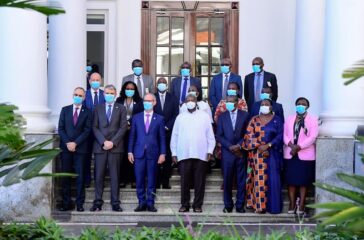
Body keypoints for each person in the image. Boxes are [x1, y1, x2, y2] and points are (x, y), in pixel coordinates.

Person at [171, 94, 216, 213]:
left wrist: (210, 151)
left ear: (196, 102)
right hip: (184, 154)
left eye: (192, 100)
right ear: (185, 103)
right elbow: (174, 136)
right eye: (188, 100)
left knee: (199, 181)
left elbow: (210, 136)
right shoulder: (180, 117)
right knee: (184, 181)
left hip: (201, 154)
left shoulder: (204, 116)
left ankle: (197, 205)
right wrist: (174, 153)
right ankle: (184, 204)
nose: (190, 102)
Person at [90, 85, 128, 212]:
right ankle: (97, 202)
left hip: (115, 147)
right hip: (100, 147)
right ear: (103, 94)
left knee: (115, 176)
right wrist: (103, 141)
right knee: (99, 176)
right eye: (107, 93)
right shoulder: (97, 108)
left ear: (115, 93)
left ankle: (115, 202)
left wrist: (112, 142)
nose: (109, 95)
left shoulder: (121, 108)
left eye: (111, 93)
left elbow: (123, 127)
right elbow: (94, 127)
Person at [242, 99, 283, 214]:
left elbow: (280, 136)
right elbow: (248, 135)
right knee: (259, 180)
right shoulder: (254, 120)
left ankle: (273, 207)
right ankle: (260, 206)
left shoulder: (277, 120)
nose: (264, 106)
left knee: (273, 180)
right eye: (262, 104)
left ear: (271, 107)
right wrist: (260, 146)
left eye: (267, 104)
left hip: (273, 154)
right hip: (257, 154)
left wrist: (269, 145)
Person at [128, 93, 166, 212]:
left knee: (152, 179)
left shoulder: (159, 119)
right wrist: (129, 151)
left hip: (153, 154)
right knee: (139, 179)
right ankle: (141, 202)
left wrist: (163, 153)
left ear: (154, 102)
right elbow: (132, 136)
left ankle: (150, 203)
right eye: (145, 101)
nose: (147, 103)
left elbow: (162, 138)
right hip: (138, 153)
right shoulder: (136, 117)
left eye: (150, 101)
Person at [58, 87, 92, 212]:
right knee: (65, 176)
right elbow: (60, 128)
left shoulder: (87, 112)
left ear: (84, 98)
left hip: (80, 149)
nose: (77, 97)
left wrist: (75, 143)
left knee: (80, 177)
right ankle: (66, 203)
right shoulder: (65, 110)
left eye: (80, 95)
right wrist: (68, 142)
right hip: (66, 148)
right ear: (73, 95)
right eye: (75, 94)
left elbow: (87, 130)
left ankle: (80, 204)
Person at [283, 97, 318, 215]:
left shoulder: (313, 120)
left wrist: (299, 147)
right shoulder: (289, 119)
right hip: (290, 153)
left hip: (305, 155)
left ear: (307, 107)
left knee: (304, 181)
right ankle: (292, 204)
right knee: (291, 181)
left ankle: (302, 205)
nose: (300, 105)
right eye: (298, 104)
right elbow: (284, 134)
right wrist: (291, 145)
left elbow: (312, 137)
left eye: (303, 104)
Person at [216, 95, 249, 213]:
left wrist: (239, 145)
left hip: (240, 152)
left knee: (241, 180)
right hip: (227, 153)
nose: (228, 104)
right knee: (227, 180)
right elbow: (219, 135)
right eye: (227, 102)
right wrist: (230, 146)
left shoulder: (244, 115)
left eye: (230, 102)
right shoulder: (222, 116)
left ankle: (240, 205)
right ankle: (228, 205)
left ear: (236, 103)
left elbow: (247, 133)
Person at [116, 81, 144, 188]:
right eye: (127, 88)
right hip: (121, 132)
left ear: (135, 90)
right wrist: (124, 124)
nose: (129, 90)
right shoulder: (119, 100)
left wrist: (130, 123)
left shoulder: (140, 101)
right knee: (122, 156)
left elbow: (140, 115)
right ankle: (123, 179)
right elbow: (116, 114)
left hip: (134, 132)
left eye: (132, 89)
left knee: (133, 156)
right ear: (124, 89)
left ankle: (133, 179)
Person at [154, 77, 179, 189]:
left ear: (167, 85)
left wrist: (167, 126)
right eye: (160, 83)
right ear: (156, 85)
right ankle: (156, 180)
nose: (162, 84)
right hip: (155, 132)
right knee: (156, 156)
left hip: (169, 132)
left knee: (168, 157)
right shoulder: (152, 97)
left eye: (164, 83)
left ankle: (165, 181)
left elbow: (176, 114)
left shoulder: (173, 97)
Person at [83, 72, 105, 187]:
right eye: (93, 80)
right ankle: (87, 179)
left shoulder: (104, 94)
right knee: (86, 156)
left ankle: (98, 180)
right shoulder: (84, 95)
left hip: (101, 131)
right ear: (89, 81)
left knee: (99, 157)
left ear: (100, 81)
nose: (95, 82)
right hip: (87, 131)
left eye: (97, 80)